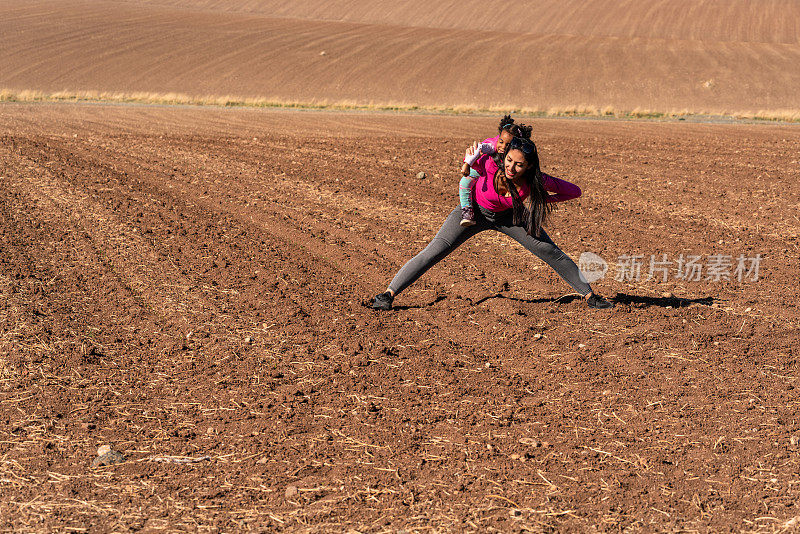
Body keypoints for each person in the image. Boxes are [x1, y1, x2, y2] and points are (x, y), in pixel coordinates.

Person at [373, 135, 613, 310]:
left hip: (512, 217)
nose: (511, 167)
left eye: (519, 164)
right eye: (509, 160)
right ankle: (388, 294)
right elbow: (467, 168)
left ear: (528, 166)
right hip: (472, 213)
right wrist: (469, 157)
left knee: (550, 251)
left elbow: (575, 191)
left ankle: (589, 295)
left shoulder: (534, 180)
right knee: (435, 251)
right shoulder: (490, 163)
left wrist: (544, 197)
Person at [459, 115, 527, 226]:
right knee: (465, 182)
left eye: (508, 144)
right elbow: (479, 148)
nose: (503, 147)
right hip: (482, 167)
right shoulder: (492, 145)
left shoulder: (518, 153)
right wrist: (467, 164)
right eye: (501, 142)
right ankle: (467, 211)